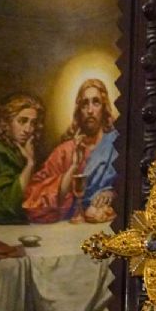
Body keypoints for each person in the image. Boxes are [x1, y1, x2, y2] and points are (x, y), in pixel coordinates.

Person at [23, 78, 117, 224]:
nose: (90, 110)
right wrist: (71, 170)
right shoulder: (65, 151)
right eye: (84, 104)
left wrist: (113, 194)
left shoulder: (116, 144)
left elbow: (134, 187)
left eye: (96, 102)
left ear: (104, 108)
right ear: (79, 110)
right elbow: (33, 197)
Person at [0, 93, 43, 223]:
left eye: (33, 123)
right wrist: (29, 165)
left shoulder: (22, 151)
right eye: (22, 121)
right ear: (6, 121)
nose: (28, 129)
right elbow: (6, 206)